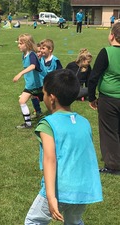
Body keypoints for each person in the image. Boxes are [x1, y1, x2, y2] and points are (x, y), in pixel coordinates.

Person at [25, 69, 103, 224]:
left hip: (60, 189)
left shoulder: (48, 124)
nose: (43, 97)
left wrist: (51, 196)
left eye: (44, 93)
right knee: (74, 222)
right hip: (83, 189)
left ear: (52, 98)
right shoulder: (84, 122)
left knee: (33, 221)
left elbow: (50, 160)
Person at [88, 22, 120, 175]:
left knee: (109, 132)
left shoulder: (106, 52)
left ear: (112, 35)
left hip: (109, 99)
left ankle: (113, 166)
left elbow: (93, 77)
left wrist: (91, 97)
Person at [13, 34, 43, 129]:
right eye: (18, 43)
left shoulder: (32, 54)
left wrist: (20, 73)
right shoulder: (24, 55)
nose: (19, 45)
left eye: (21, 43)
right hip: (32, 84)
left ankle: (29, 124)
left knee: (22, 101)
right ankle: (38, 112)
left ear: (27, 44)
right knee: (32, 97)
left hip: (36, 84)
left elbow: (33, 66)